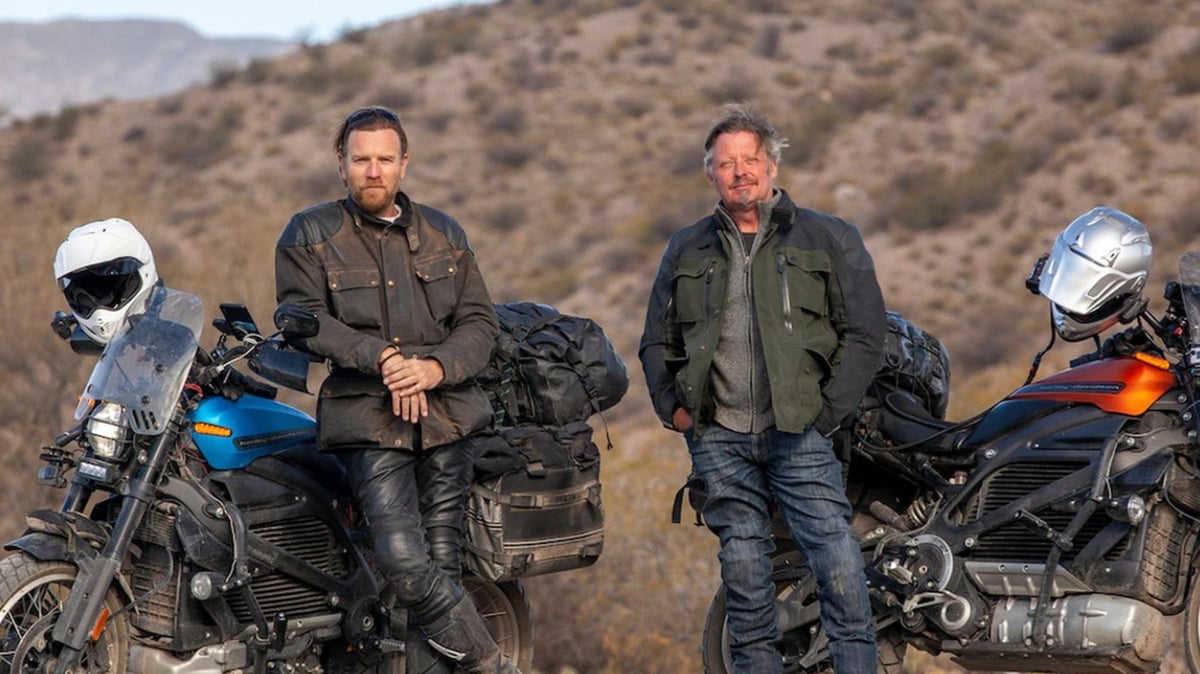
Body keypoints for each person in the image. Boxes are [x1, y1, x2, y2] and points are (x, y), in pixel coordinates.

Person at [639, 102, 886, 673]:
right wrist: (676, 413)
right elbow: (656, 340)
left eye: (751, 159)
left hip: (799, 432)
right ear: (711, 175)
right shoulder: (686, 247)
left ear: (772, 167)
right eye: (727, 163)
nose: (740, 171)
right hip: (719, 438)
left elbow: (866, 334)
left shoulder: (830, 236)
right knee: (747, 578)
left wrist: (825, 417)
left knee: (838, 563)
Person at [274, 106, 517, 674]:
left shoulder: (445, 233)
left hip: (448, 417)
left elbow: (481, 325)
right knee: (404, 563)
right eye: (361, 160)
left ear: (404, 164)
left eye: (385, 159)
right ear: (341, 165)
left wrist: (430, 369)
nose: (373, 171)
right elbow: (297, 316)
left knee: (439, 568)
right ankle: (491, 665)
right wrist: (384, 359)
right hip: (367, 420)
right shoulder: (309, 233)